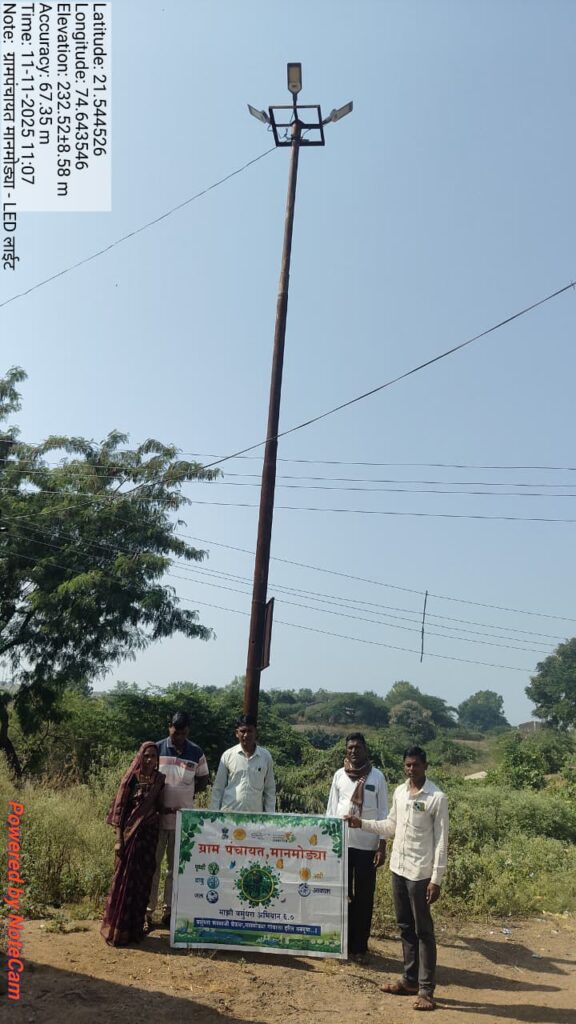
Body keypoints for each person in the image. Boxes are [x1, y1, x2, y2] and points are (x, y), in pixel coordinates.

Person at [346, 745, 449, 1012]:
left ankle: (426, 990)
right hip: (398, 869)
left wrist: (436, 879)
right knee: (405, 926)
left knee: (423, 931)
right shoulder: (400, 792)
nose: (411, 769)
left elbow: (441, 841)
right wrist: (361, 823)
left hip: (420, 873)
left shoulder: (437, 797)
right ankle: (410, 980)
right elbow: (390, 825)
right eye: (407, 765)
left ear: (425, 766)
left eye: (416, 765)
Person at [326, 732, 388, 961]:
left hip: (367, 847)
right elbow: (331, 810)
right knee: (342, 895)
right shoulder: (339, 775)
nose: (353, 751)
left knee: (364, 897)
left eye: (358, 747)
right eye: (350, 747)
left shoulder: (377, 777)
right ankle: (342, 944)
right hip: (342, 846)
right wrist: (329, 844)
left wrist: (382, 845)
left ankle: (360, 947)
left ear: (365, 750)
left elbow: (384, 814)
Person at [147, 711, 210, 927]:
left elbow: (203, 779)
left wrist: (186, 795)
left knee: (174, 869)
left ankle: (169, 912)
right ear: (169, 727)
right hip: (156, 820)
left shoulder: (196, 752)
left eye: (183, 733)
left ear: (188, 731)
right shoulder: (156, 749)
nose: (179, 737)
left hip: (183, 822)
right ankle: (148, 911)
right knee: (152, 866)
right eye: (176, 732)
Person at [101, 741, 165, 946]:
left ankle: (135, 930)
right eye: (146, 756)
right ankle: (118, 931)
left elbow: (159, 805)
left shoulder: (160, 780)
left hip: (149, 837)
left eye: (153, 756)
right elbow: (120, 812)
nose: (150, 760)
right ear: (140, 757)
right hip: (131, 836)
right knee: (125, 882)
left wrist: (173, 811)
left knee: (142, 882)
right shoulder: (131, 779)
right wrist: (119, 840)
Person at [209, 713, 276, 813]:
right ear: (237, 733)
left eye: (250, 731)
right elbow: (218, 789)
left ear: (256, 732)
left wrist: (270, 816)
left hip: (254, 816)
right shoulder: (228, 755)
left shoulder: (265, 757)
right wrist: (214, 814)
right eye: (243, 731)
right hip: (229, 814)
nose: (246, 735)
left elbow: (269, 790)